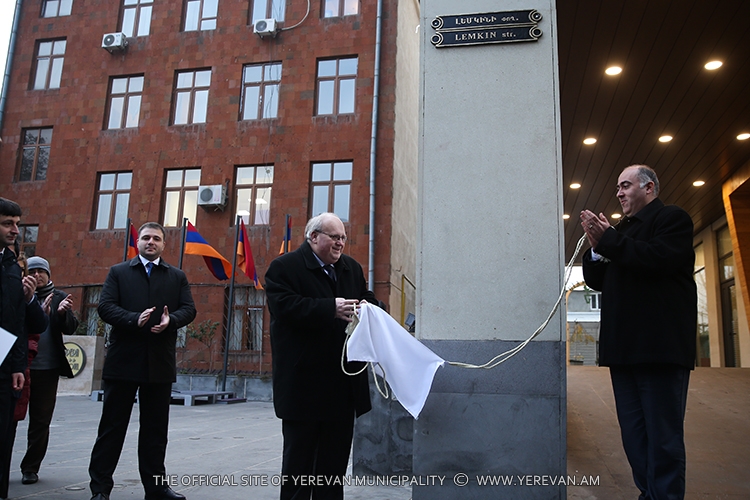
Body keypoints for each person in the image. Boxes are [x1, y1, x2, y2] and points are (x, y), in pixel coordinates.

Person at [580, 165, 697, 500]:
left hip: (659, 351)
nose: (619, 193)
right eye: (617, 187)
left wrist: (611, 241)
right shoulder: (620, 233)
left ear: (649, 188)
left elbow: (658, 259)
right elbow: (599, 281)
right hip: (624, 352)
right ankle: (650, 493)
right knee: (633, 437)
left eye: (626, 185)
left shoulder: (672, 220)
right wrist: (596, 249)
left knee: (663, 438)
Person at [264, 212, 379, 500]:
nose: (340, 243)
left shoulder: (351, 267)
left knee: (333, 468)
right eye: (334, 237)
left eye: (343, 238)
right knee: (299, 466)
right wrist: (330, 309)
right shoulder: (283, 268)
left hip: (342, 386)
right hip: (303, 385)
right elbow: (285, 307)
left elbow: (367, 296)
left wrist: (369, 306)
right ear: (314, 237)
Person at [88, 222, 196, 500]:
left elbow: (189, 309)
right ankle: (100, 489)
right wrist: (133, 319)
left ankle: (156, 488)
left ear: (163, 244)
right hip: (123, 362)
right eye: (146, 237)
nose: (151, 242)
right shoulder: (119, 272)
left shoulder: (176, 276)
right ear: (138, 242)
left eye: (156, 239)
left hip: (159, 363)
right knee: (112, 428)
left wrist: (172, 321)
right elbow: (105, 306)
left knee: (155, 431)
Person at [0, 197, 48, 500]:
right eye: (7, 223)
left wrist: (29, 298)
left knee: (4, 436)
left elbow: (22, 325)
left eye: (17, 224)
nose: (15, 230)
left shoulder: (12, 265)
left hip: (6, 367)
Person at [20, 256, 78, 485]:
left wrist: (62, 313)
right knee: (9, 419)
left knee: (41, 421)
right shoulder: (19, 295)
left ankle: (30, 468)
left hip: (47, 368)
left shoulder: (60, 297)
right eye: (32, 271)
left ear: (48, 274)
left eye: (41, 271)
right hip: (20, 367)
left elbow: (71, 328)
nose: (37, 275)